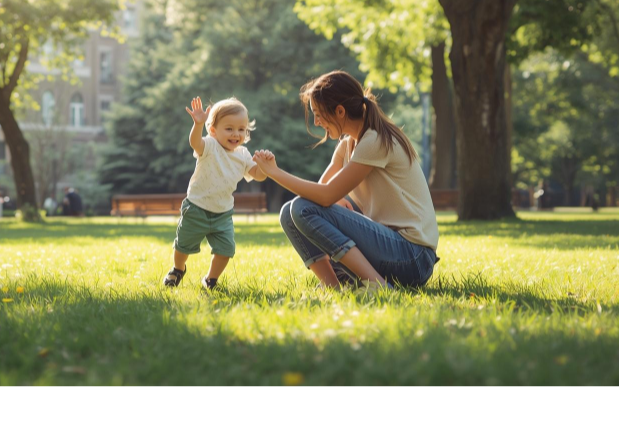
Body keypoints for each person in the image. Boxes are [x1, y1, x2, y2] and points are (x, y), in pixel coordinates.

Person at [252, 70, 440, 294]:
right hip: (390, 251)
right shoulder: (347, 145)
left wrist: (274, 172)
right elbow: (319, 194)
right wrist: (332, 200)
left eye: (319, 114)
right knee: (289, 212)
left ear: (340, 111)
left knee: (301, 209)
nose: (316, 122)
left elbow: (323, 196)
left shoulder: (375, 140)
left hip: (413, 257)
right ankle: (333, 285)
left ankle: (379, 286)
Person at [162, 96, 268, 290]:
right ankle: (178, 269)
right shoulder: (209, 146)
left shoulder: (243, 154)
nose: (236, 134)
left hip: (223, 213)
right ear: (213, 130)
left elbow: (257, 175)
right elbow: (195, 142)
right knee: (182, 246)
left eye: (241, 129)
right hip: (196, 208)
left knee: (226, 250)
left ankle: (210, 279)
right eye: (229, 128)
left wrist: (266, 166)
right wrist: (198, 124)